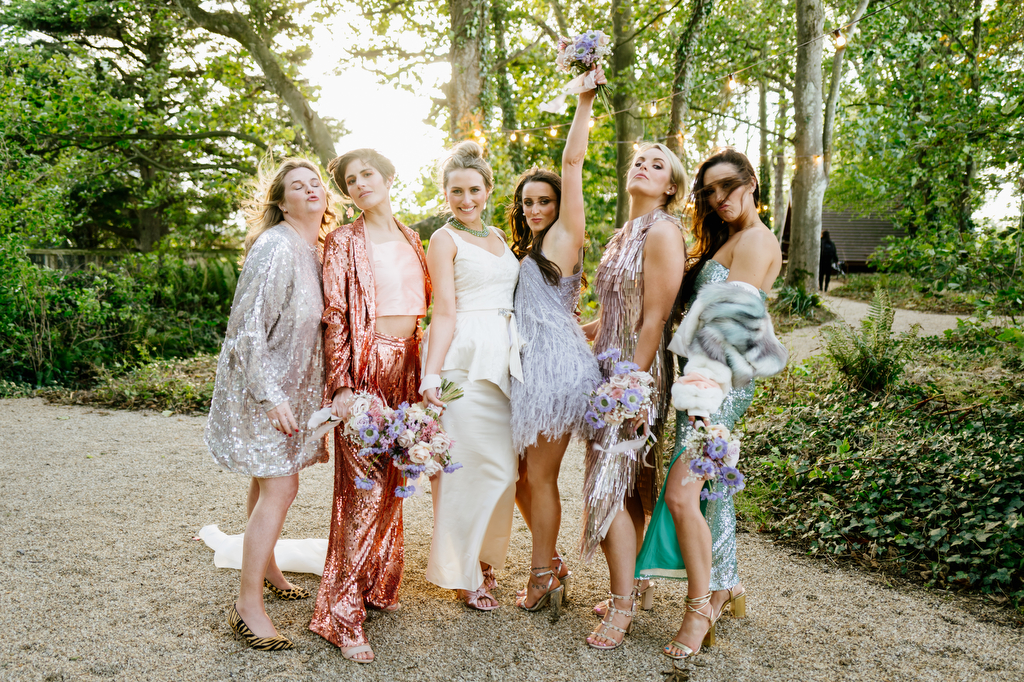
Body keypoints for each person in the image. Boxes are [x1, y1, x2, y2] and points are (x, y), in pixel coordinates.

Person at [635, 147, 786, 661]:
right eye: (710, 190)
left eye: (728, 186)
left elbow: (728, 327)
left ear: (752, 182)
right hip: (702, 380)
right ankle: (726, 585)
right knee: (712, 490)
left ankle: (701, 610)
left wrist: (702, 404)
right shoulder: (731, 239)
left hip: (714, 387)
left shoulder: (758, 241)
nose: (719, 198)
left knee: (683, 494)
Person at [205, 158, 335, 651]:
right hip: (263, 388)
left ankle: (270, 568)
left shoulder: (318, 248)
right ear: (281, 201)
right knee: (282, 486)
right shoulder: (275, 246)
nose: (310, 190)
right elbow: (247, 328)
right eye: (297, 186)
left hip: (295, 387)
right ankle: (247, 605)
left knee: (267, 479)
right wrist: (269, 395)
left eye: (315, 183)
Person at [308, 149, 431, 663]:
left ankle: (375, 581)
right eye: (350, 181)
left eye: (367, 175)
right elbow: (335, 315)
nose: (359, 184)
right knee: (359, 492)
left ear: (388, 177)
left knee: (394, 483)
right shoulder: (341, 242)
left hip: (411, 363)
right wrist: (340, 387)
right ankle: (338, 612)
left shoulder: (411, 237)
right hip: (366, 365)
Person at [580, 142, 687, 649]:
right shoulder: (625, 233)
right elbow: (620, 308)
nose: (643, 165)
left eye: (658, 164)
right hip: (607, 368)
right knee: (624, 487)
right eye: (639, 160)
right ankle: (636, 586)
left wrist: (632, 385)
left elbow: (654, 319)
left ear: (670, 187)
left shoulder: (664, 231)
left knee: (604, 487)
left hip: (635, 377)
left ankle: (622, 608)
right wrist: (579, 329)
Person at [508, 67, 605, 618]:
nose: (536, 208)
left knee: (539, 476)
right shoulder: (529, 247)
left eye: (544, 199)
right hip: (531, 367)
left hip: (554, 371)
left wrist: (583, 102)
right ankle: (551, 561)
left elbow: (572, 163)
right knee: (521, 478)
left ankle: (542, 574)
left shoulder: (565, 236)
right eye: (527, 203)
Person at [421, 141, 520, 610]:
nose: (466, 199)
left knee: (503, 471)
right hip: (463, 360)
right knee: (463, 472)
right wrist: (431, 374)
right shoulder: (444, 239)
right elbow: (443, 311)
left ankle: (480, 557)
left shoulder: (500, 237)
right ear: (445, 193)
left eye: (474, 189)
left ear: (488, 189)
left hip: (505, 362)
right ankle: (462, 572)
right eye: (456, 191)